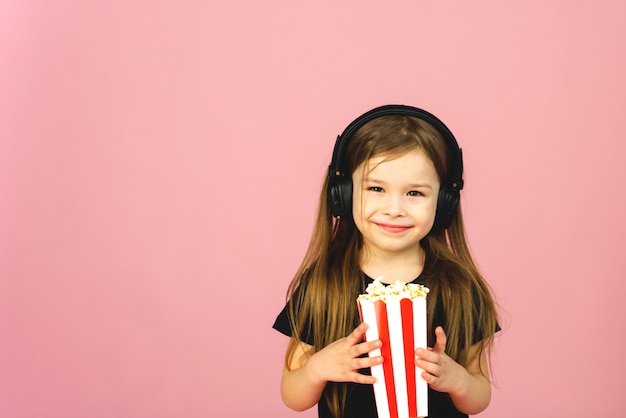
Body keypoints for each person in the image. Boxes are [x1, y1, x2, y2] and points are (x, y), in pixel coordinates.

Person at [273, 104, 499, 418]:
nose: (394, 209)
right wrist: (316, 369)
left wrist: (458, 380)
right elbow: (293, 396)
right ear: (344, 194)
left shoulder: (459, 287)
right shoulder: (324, 282)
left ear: (445, 202)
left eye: (415, 193)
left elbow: (479, 397)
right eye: (376, 188)